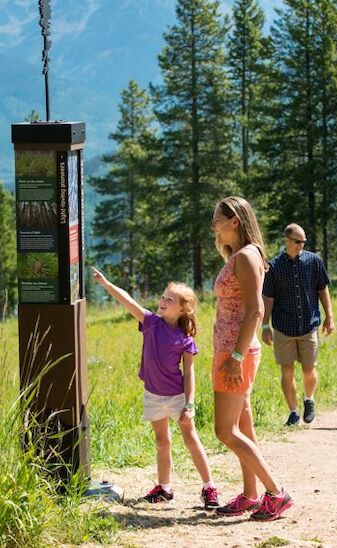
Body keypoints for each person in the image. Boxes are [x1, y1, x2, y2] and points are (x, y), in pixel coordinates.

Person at [91, 267, 219, 509]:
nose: (162, 300)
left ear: (183, 308)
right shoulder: (150, 323)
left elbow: (189, 374)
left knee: (191, 440)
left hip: (177, 397)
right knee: (162, 441)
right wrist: (107, 284)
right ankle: (164, 488)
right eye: (163, 296)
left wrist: (189, 404)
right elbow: (127, 300)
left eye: (169, 299)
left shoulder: (185, 339)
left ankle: (209, 487)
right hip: (152, 394)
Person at [211, 196, 293, 521]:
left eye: (218, 219)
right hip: (233, 350)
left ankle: (276, 492)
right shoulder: (241, 254)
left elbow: (257, 309)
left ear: (235, 221)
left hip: (236, 353)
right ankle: (250, 494)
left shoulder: (246, 257)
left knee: (225, 430)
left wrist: (235, 356)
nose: (213, 225)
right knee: (243, 425)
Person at [262, 223, 334, 426]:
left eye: (303, 242)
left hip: (308, 325)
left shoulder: (314, 261)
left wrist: (329, 316)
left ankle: (309, 400)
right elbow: (268, 298)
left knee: (309, 370)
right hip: (283, 327)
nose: (301, 245)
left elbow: (323, 289)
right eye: (297, 241)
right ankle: (293, 412)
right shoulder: (274, 266)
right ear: (287, 240)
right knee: (287, 371)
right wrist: (265, 326)